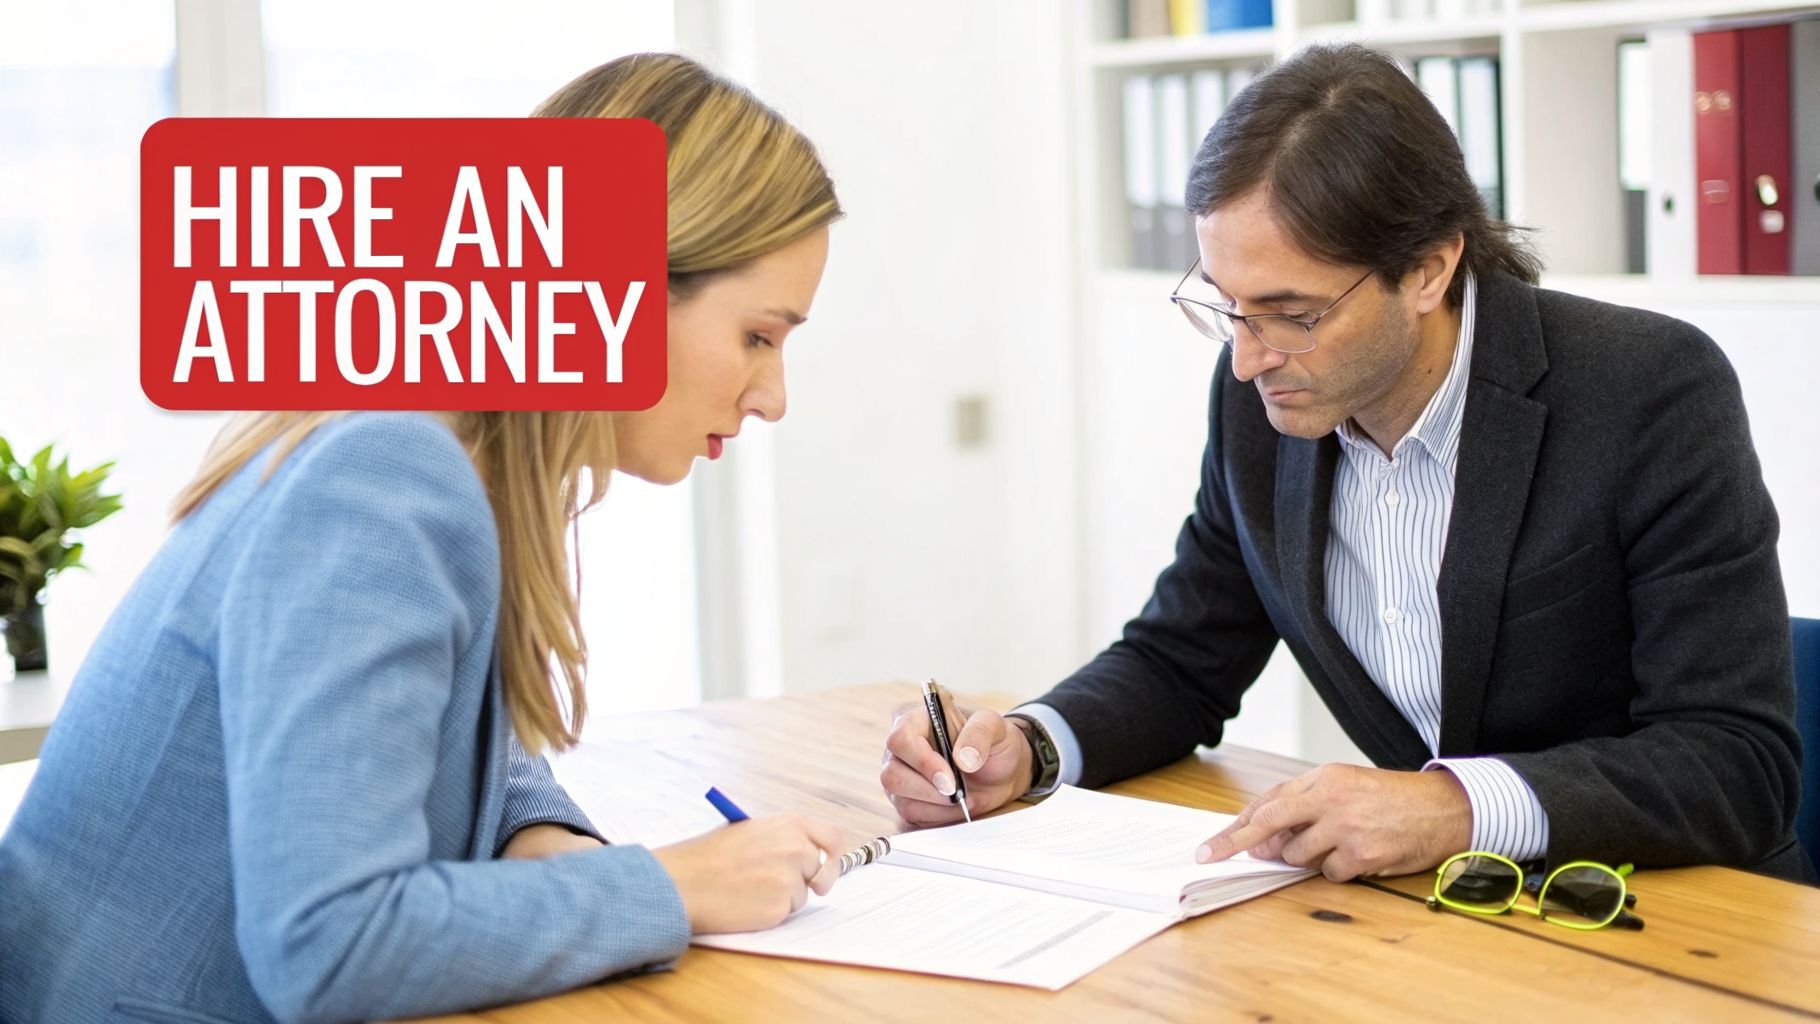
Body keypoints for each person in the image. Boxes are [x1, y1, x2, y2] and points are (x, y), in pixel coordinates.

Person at [0, 53, 851, 1024]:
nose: (772, 395)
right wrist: (670, 885)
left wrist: (548, 840)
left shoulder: (438, 445)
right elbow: (331, 944)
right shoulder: (387, 479)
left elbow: (449, 739)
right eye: (758, 336)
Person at [881, 43, 1810, 885]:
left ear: (1429, 269)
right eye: (1226, 303)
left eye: (1294, 313)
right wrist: (1032, 748)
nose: (1248, 356)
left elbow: (1736, 765)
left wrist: (1454, 806)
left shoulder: (1647, 390)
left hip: (1676, 916)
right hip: (1444, 915)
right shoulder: (1260, 394)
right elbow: (1181, 659)